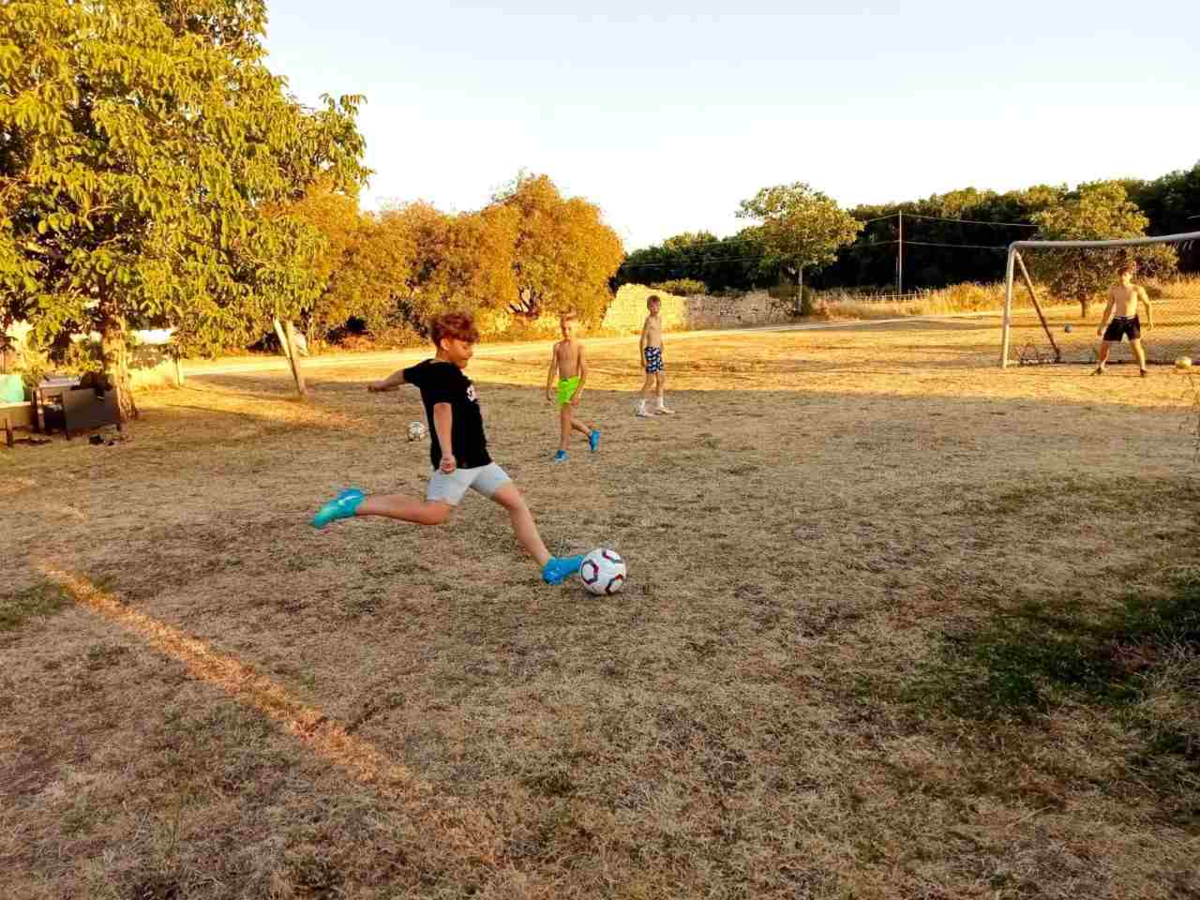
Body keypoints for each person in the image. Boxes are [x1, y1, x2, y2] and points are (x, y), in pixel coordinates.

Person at [310, 311, 585, 585]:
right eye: (465, 346)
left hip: (479, 460)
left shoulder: (428, 368)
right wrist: (447, 453)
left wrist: (382, 385)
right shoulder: (444, 374)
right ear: (445, 343)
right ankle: (356, 503)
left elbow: (403, 375)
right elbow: (442, 410)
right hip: (459, 460)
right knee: (433, 514)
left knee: (516, 505)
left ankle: (550, 565)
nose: (471, 352)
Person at [545, 311, 600, 463]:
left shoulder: (579, 347)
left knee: (564, 419)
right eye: (563, 328)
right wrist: (548, 387)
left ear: (576, 328)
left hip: (573, 384)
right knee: (566, 418)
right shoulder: (557, 347)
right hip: (562, 385)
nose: (566, 332)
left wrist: (577, 392)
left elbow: (585, 372)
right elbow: (553, 368)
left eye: (570, 328)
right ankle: (591, 434)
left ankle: (562, 450)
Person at [1094, 260, 1154, 377]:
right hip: (1117, 321)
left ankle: (1143, 369)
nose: (1122, 277)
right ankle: (1101, 367)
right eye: (1120, 275)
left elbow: (1148, 304)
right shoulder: (1114, 289)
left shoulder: (1137, 289)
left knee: (1136, 345)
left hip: (1132, 321)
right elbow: (1108, 308)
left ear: (1130, 276)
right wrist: (1102, 325)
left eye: (1125, 275)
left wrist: (1150, 321)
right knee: (1105, 345)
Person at [637, 294, 674, 417]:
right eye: (653, 306)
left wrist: (661, 344)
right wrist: (643, 358)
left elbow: (658, 333)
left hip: (658, 352)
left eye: (658, 306)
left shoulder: (659, 319)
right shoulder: (648, 320)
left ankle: (660, 406)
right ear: (648, 307)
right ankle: (641, 409)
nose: (656, 308)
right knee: (650, 381)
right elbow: (642, 339)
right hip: (650, 352)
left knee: (661, 379)